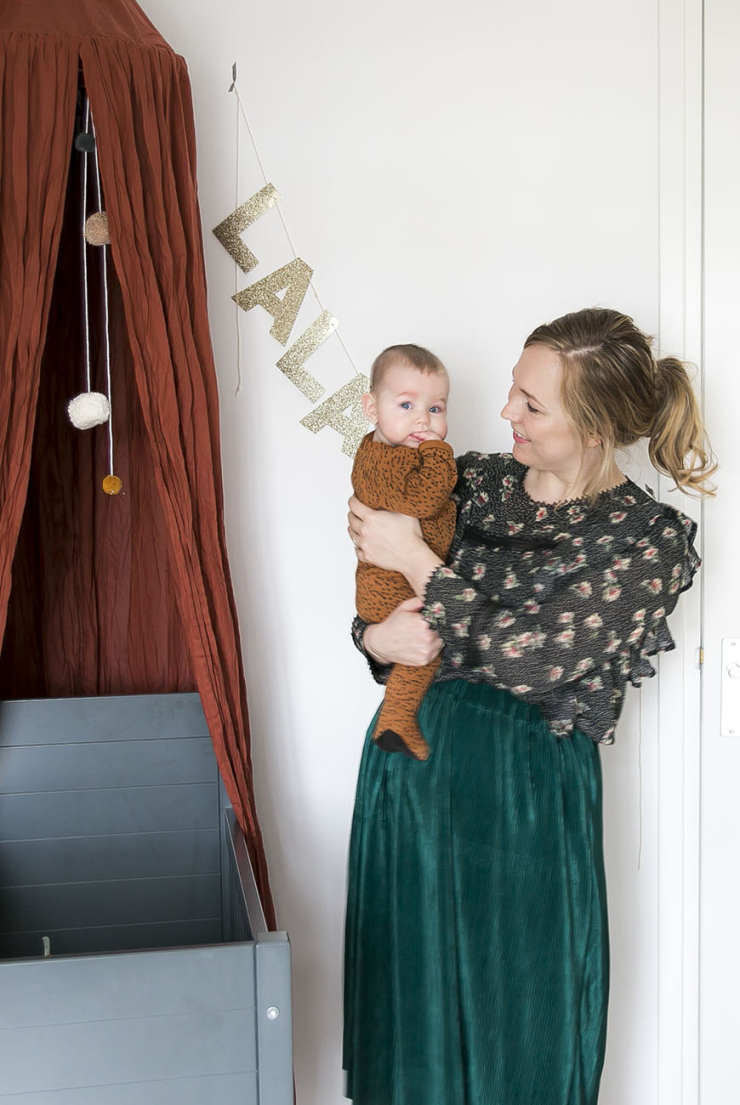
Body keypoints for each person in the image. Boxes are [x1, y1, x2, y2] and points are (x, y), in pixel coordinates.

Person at [343, 308, 716, 1105]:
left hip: (527, 807)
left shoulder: (648, 541)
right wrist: (376, 639)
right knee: (411, 1010)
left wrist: (414, 558)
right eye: (513, 391)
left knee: (528, 1017)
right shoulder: (466, 480)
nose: (505, 411)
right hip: (410, 772)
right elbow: (375, 602)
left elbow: (538, 657)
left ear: (594, 428)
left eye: (531, 404)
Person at [352, 344, 457, 761]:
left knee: (422, 653)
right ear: (372, 408)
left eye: (435, 409)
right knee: (425, 650)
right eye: (407, 404)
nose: (422, 420)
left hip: (396, 581)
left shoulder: (396, 453)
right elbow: (427, 499)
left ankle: (396, 720)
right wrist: (438, 452)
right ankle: (396, 720)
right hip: (390, 588)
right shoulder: (383, 461)